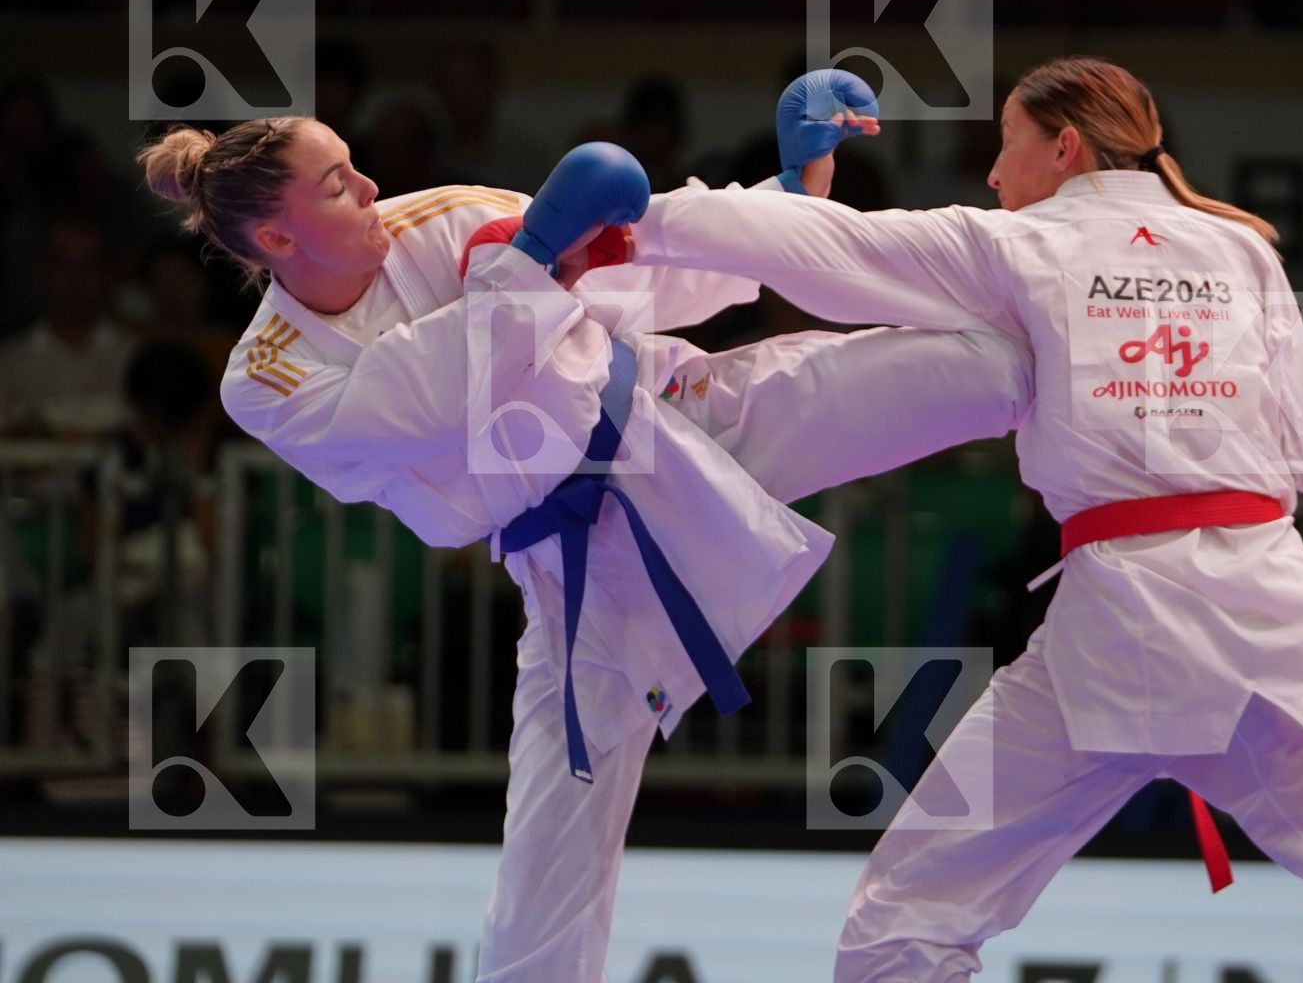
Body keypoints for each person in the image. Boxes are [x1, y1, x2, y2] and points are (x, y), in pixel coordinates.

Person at [624, 57, 1303, 981]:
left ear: (1063, 147)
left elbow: (830, 260)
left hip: (1117, 632)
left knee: (907, 920)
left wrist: (621, 218)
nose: (992, 174)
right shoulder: (1243, 247)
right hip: (1273, 620)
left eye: (1006, 146)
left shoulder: (1024, 245)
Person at [137, 108, 1030, 981]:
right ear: (279, 239)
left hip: (673, 419)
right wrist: (522, 267)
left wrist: (782, 198)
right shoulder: (266, 377)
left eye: (356, 166)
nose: (371, 188)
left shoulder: (444, 219)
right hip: (577, 560)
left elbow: (629, 263)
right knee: (546, 866)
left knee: (985, 368)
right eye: (337, 186)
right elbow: (417, 408)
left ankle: (1129, 374)